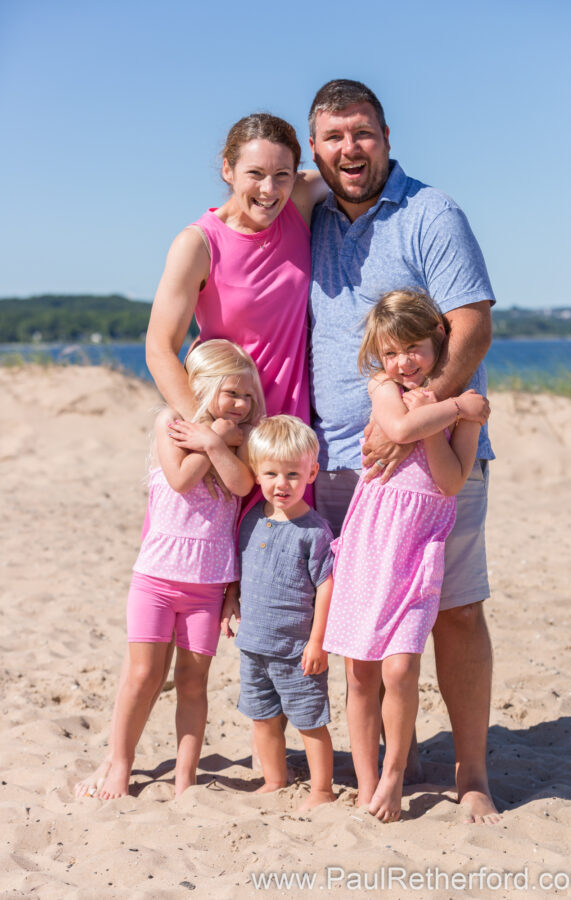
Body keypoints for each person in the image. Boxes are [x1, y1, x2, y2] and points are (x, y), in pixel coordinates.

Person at [75, 112, 325, 799]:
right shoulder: (199, 241)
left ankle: (292, 759)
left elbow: (353, 170)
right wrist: (202, 428)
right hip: (226, 428)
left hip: (285, 443)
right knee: (218, 603)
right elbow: (160, 346)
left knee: (285, 602)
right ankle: (157, 761)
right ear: (225, 168)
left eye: (281, 174)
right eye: (254, 174)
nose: (269, 190)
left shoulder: (304, 199)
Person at [308, 79, 500, 824]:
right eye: (334, 137)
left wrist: (425, 417)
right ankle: (389, 761)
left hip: (435, 461)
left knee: (452, 610)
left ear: (387, 137)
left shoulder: (431, 213)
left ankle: (473, 772)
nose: (350, 149)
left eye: (362, 133)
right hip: (340, 459)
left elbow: (472, 324)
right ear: (317, 147)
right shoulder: (315, 214)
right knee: (365, 625)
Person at [323, 289, 484, 822]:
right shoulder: (384, 387)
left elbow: (450, 481)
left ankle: (393, 776)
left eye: (414, 348)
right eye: (392, 352)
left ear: (439, 341)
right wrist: (453, 406)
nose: (403, 362)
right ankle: (368, 781)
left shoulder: (454, 412)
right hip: (371, 546)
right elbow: (395, 429)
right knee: (360, 674)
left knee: (399, 669)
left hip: (418, 554)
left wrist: (448, 416)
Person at [89, 340, 265, 799]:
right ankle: (120, 764)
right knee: (144, 675)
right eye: (232, 394)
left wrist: (215, 439)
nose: (242, 405)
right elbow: (181, 478)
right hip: (157, 578)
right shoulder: (169, 422)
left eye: (248, 396)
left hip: (207, 585)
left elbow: (243, 483)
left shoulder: (243, 439)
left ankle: (185, 780)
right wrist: (210, 438)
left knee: (193, 682)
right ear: (203, 388)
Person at [221, 415, 336, 811]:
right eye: (271, 473)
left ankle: (322, 789)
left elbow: (326, 587)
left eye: (292, 474)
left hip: (296, 650)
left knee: (309, 721)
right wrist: (230, 599)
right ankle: (275, 778)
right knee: (263, 717)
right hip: (253, 645)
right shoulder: (251, 520)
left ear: (312, 472)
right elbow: (242, 567)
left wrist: (317, 642)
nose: (281, 483)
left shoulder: (315, 531)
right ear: (256, 473)